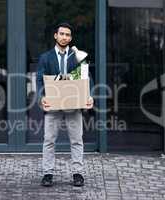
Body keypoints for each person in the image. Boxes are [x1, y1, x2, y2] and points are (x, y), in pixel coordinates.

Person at [36, 22, 94, 187]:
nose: (64, 37)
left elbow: (86, 77)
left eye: (68, 35)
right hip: (53, 105)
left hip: (73, 104)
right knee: (49, 140)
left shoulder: (76, 55)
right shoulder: (45, 58)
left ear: (70, 38)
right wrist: (42, 98)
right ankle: (48, 173)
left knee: (76, 140)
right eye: (62, 34)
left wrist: (89, 96)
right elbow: (39, 80)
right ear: (56, 35)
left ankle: (78, 173)